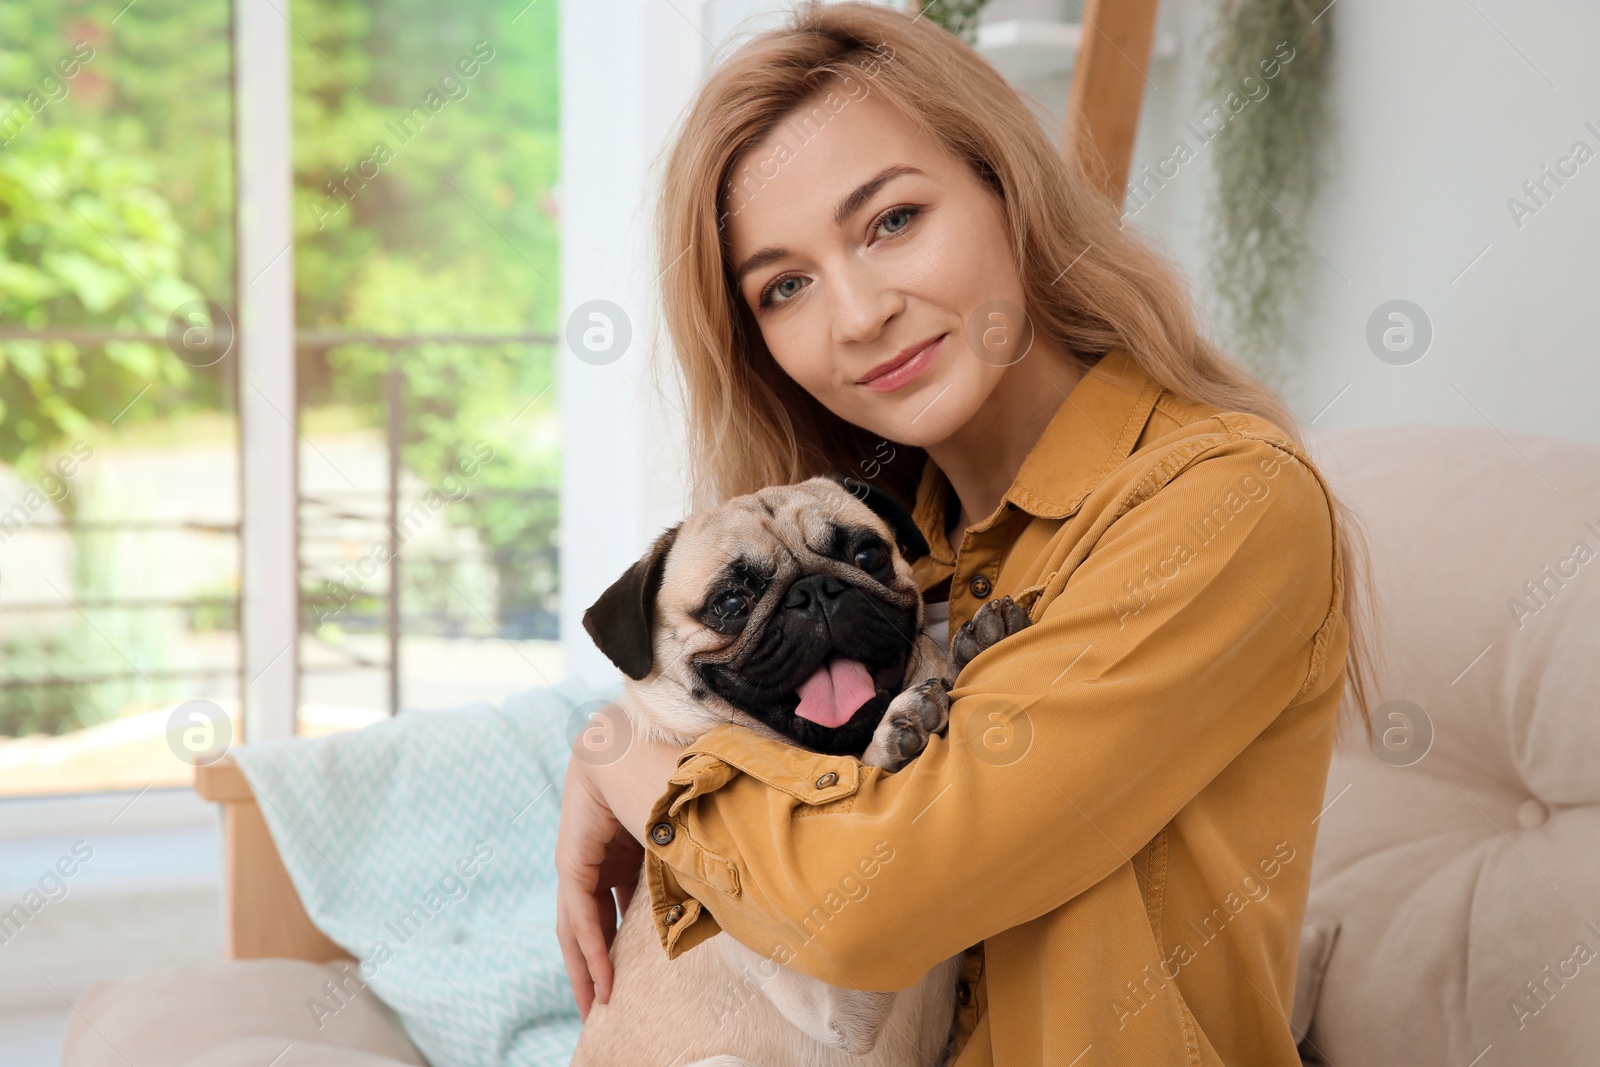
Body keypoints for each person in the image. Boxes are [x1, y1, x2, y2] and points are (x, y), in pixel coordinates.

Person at [556, 3, 1381, 1064]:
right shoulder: (893, 547)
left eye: (892, 219)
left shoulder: (1220, 504)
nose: (857, 313)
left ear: (1008, 189)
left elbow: (868, 904)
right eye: (785, 284)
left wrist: (620, 755)